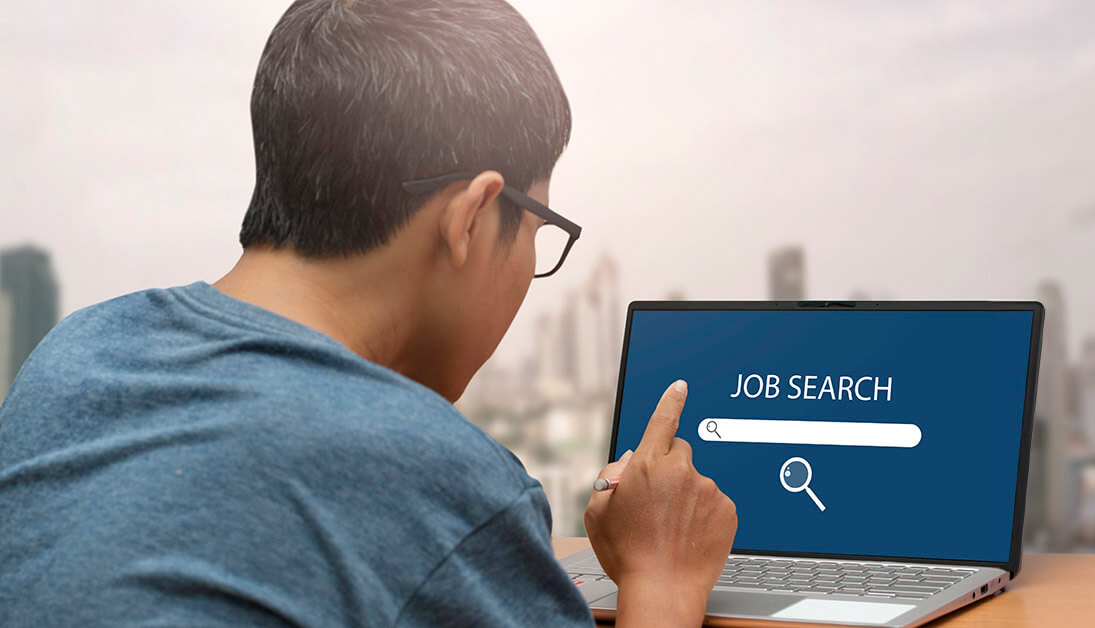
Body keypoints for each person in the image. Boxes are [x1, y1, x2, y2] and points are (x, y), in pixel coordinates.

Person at [0, 1, 737, 626]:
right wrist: (662, 579)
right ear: (473, 216)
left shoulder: (75, 356)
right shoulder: (439, 475)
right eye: (541, 230)